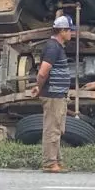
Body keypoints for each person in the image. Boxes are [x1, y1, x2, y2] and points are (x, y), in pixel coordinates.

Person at [34, 14, 76, 173]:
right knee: (52, 128)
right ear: (62, 31)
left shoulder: (57, 47)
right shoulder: (53, 47)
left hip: (58, 95)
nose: (71, 33)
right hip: (52, 95)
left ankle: (56, 161)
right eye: (70, 30)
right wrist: (38, 87)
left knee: (57, 128)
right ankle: (50, 163)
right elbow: (43, 72)